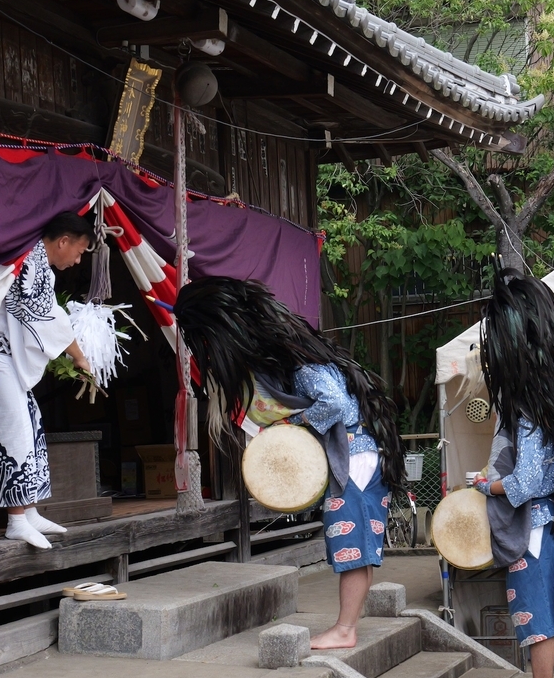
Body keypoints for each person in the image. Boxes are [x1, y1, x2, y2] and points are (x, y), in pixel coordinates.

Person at [173, 276, 405, 650]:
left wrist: (290, 423)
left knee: (351, 542)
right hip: (360, 453)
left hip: (355, 456)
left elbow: (334, 404)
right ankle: (346, 626)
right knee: (355, 544)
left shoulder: (300, 365)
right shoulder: (300, 358)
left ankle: (346, 630)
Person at [473, 268, 554, 678]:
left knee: (536, 606)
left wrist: (490, 485)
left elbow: (528, 481)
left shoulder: (527, 406)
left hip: (535, 529)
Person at [0, 213, 92, 548]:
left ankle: (29, 510)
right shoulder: (32, 259)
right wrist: (78, 356)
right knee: (10, 430)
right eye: (79, 252)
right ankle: (15, 520)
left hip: (5, 356)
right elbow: (46, 315)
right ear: (63, 241)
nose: (78, 260)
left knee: (30, 425)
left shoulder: (37, 260)